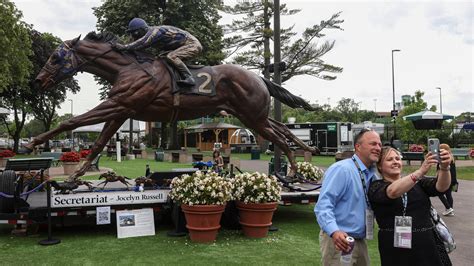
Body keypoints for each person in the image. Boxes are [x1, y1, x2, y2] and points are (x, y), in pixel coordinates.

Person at [368, 146, 452, 266]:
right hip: (396, 249)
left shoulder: (418, 183)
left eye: (397, 158)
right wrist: (420, 171)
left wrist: (445, 168)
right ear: (380, 166)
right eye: (390, 159)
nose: (395, 161)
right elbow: (392, 192)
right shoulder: (376, 187)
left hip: (426, 244)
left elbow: (441, 187)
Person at [315, 128, 382, 266]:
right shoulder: (342, 169)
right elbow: (323, 205)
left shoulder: (372, 174)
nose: (378, 148)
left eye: (380, 144)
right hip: (340, 241)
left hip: (360, 240)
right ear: (358, 146)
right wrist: (334, 232)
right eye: (373, 144)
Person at [112, 18, 202, 86]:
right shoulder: (149, 33)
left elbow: (142, 43)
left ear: (142, 29)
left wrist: (123, 47)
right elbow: (138, 46)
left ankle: (189, 78)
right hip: (180, 46)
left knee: (172, 57)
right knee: (160, 59)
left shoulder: (155, 32)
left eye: (135, 33)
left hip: (192, 44)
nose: (134, 35)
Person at [437, 143, 458, 216]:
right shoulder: (451, 157)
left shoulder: (443, 157)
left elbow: (440, 169)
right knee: (449, 194)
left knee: (439, 193)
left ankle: (448, 208)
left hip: (446, 179)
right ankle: (450, 210)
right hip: (452, 178)